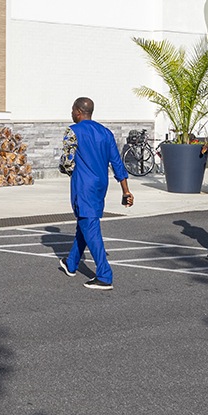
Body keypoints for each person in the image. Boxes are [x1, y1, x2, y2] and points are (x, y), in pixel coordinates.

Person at [59, 96, 132, 290]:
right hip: (101, 185)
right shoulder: (106, 133)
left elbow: (67, 162)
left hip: (83, 185)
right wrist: (126, 191)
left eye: (72, 109)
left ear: (78, 111)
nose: (71, 112)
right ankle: (71, 263)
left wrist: (65, 170)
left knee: (89, 226)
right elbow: (117, 162)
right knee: (85, 222)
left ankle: (104, 275)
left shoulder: (72, 131)